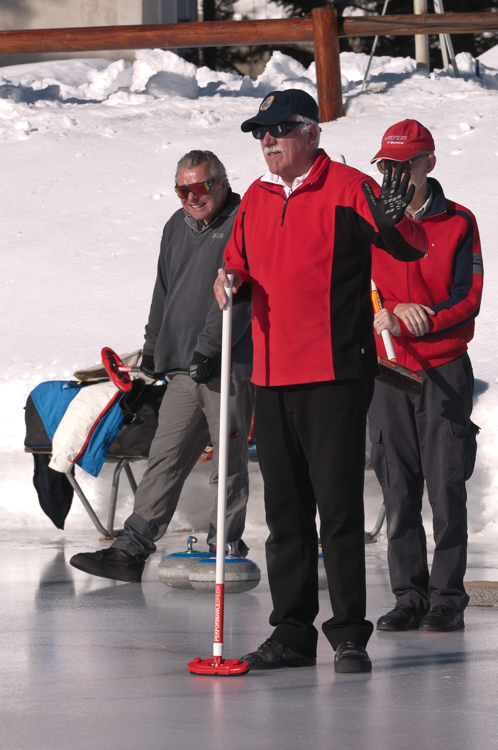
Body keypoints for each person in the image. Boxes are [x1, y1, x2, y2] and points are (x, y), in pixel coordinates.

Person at [214, 90, 428, 673]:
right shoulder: (255, 199)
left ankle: (349, 634)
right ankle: (290, 633)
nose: (267, 140)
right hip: (270, 375)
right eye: (260, 132)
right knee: (285, 516)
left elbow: (409, 248)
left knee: (337, 511)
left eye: (279, 129)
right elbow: (236, 262)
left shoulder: (348, 187)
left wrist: (397, 216)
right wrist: (228, 280)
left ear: (310, 132)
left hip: (334, 372)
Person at [70, 150, 254, 583]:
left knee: (226, 461)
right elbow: (164, 289)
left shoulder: (245, 221)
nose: (192, 197)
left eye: (201, 187)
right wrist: (155, 346)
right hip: (181, 367)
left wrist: (209, 347)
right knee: (165, 457)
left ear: (222, 183)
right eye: (182, 189)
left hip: (226, 361)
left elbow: (242, 294)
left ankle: (225, 544)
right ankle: (132, 549)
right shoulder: (176, 225)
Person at [369, 120, 483, 633]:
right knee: (398, 488)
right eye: (386, 166)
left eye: (404, 165)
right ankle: (408, 595)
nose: (394, 175)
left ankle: (447, 597)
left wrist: (426, 317)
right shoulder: (372, 223)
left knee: (446, 487)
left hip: (442, 368)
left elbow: (470, 296)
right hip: (389, 370)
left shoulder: (460, 222)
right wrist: (389, 310)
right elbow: (355, 291)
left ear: (428, 164)